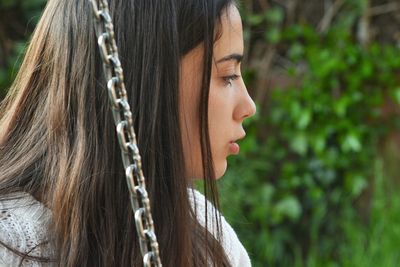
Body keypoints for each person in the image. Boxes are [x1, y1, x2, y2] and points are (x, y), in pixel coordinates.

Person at [0, 0, 256, 266]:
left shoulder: (206, 237)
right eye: (227, 75)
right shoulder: (10, 245)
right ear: (148, 82)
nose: (248, 106)